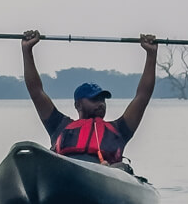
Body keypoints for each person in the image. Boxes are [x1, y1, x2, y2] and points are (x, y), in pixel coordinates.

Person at [21, 29, 157, 166]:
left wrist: (151, 54)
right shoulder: (59, 125)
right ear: (78, 105)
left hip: (106, 171)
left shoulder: (120, 129)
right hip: (66, 170)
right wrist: (27, 50)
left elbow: (142, 96)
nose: (101, 104)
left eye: (103, 100)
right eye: (94, 100)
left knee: (121, 167)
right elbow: (36, 92)